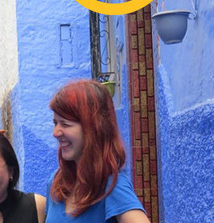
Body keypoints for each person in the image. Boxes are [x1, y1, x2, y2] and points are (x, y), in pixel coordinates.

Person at [46, 79, 150, 223]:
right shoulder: (56, 183)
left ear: (93, 129)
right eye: (55, 123)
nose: (55, 132)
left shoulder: (112, 186)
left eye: (65, 124)